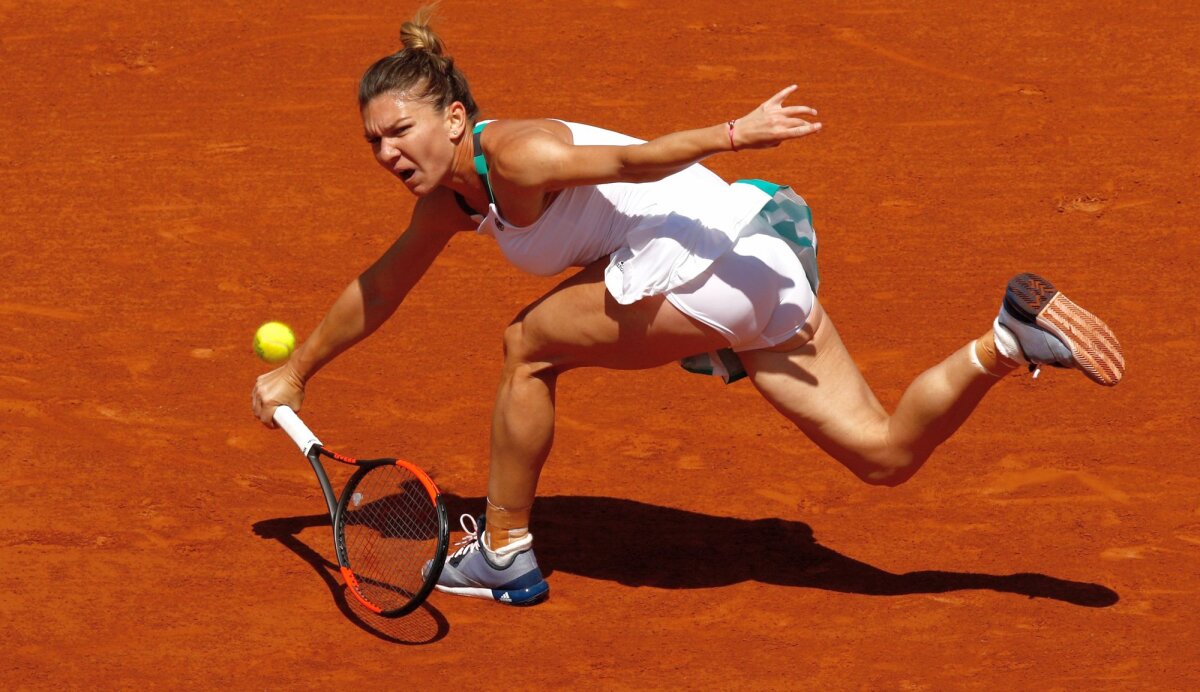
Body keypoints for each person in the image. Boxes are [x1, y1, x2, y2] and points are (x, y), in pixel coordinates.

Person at [251, 8, 1125, 607]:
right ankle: (1005, 341)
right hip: (760, 260)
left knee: (528, 346)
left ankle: (506, 549)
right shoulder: (451, 202)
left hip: (705, 263)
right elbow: (382, 286)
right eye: (372, 140)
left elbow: (634, 165)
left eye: (399, 130)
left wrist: (731, 134)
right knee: (885, 455)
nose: (386, 151)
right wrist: (297, 369)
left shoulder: (516, 155)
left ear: (452, 117)